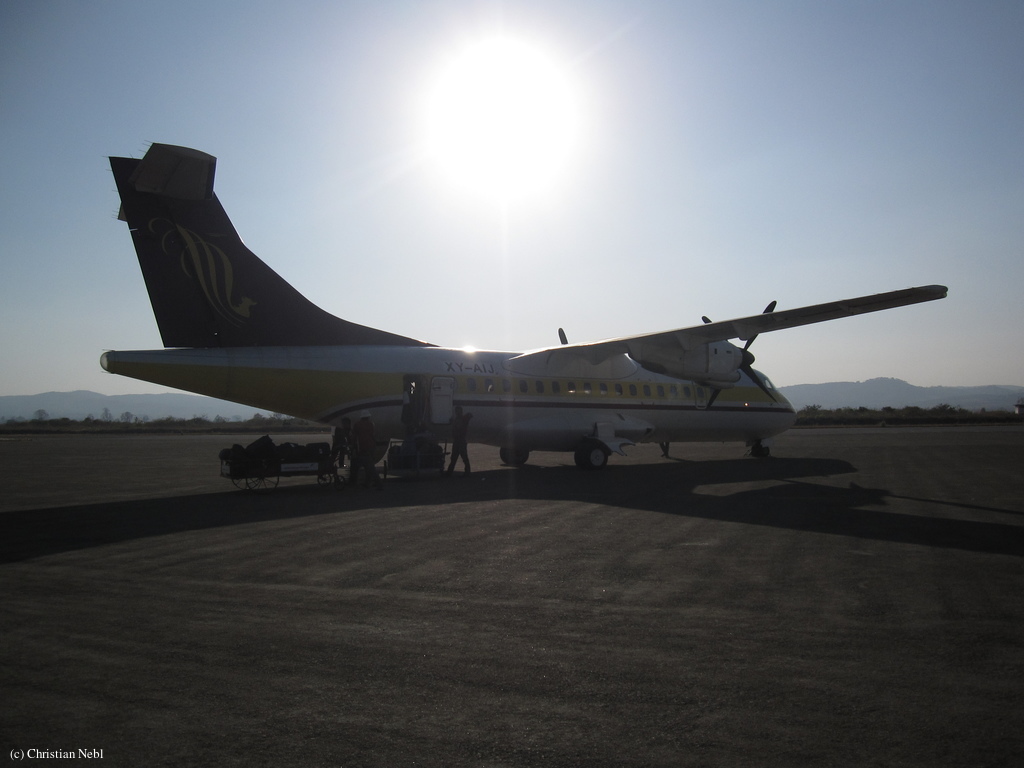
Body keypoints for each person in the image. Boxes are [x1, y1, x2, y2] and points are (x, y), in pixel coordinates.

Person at [350, 411, 383, 489]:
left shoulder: (357, 424)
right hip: (371, 447)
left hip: (363, 447)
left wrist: (352, 446)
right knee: (369, 465)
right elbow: (372, 435)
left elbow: (354, 436)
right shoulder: (371, 424)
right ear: (368, 417)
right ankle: (367, 483)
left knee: (368, 466)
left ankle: (378, 483)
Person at [446, 406, 473, 476]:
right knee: (455, 458)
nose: (457, 413)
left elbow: (459, 427)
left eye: (458, 411)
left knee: (461, 457)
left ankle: (466, 472)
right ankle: (450, 472)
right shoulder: (461, 419)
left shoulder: (462, 419)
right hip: (458, 441)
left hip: (460, 441)